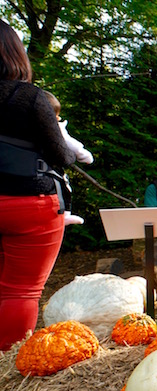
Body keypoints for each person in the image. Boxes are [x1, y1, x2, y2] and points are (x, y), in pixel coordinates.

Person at [0, 19, 75, 351]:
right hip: (28, 203)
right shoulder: (30, 98)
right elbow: (61, 156)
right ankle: (8, 359)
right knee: (21, 291)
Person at [44, 91, 92, 227]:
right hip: (50, 174)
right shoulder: (56, 128)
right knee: (65, 189)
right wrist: (85, 156)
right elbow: (72, 144)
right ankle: (65, 215)